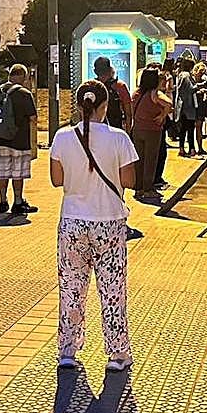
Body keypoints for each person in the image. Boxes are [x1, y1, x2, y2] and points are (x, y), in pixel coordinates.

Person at [49, 80, 139, 372]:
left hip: (72, 222)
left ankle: (68, 349)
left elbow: (56, 179)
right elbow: (129, 181)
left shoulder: (62, 137)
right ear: (105, 106)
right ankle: (117, 353)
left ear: (78, 105)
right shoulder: (119, 138)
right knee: (112, 288)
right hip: (109, 222)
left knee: (72, 287)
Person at [0, 64, 40, 217]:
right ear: (24, 77)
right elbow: (33, 118)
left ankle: (2, 201)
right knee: (17, 174)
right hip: (19, 141)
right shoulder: (25, 94)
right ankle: (18, 202)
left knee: (3, 172)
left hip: (0, 140)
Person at [130, 67, 173, 202]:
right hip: (152, 130)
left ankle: (138, 188)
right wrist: (162, 115)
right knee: (150, 160)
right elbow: (169, 103)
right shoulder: (155, 93)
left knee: (139, 160)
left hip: (137, 129)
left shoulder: (136, 93)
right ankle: (148, 189)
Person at [93, 56, 132, 133]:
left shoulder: (91, 86)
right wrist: (128, 132)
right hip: (116, 129)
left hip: (96, 130)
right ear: (109, 69)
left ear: (95, 71)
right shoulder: (120, 86)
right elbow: (128, 113)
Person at [174, 56, 198, 157]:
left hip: (181, 106)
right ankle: (191, 149)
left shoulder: (180, 75)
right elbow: (190, 89)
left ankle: (181, 148)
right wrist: (199, 86)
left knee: (182, 129)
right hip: (188, 106)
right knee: (190, 129)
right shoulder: (186, 75)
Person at [192, 62, 207, 156]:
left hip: (201, 105)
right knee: (192, 128)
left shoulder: (204, 81)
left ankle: (200, 147)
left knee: (199, 127)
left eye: (203, 72)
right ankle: (192, 148)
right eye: (200, 71)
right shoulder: (192, 81)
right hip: (193, 106)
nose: (201, 74)